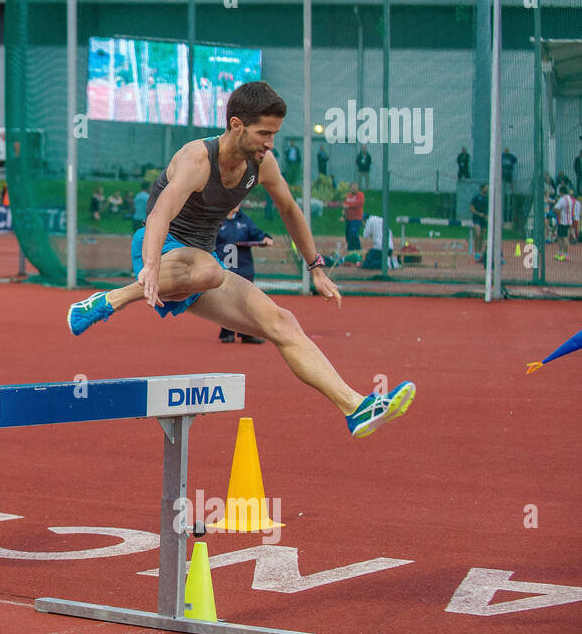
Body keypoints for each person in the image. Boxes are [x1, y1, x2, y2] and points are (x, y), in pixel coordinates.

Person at [65, 81, 414, 439]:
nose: (270, 143)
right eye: (264, 133)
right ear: (236, 125)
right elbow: (159, 216)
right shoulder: (197, 159)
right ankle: (113, 299)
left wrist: (316, 269)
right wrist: (151, 267)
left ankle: (355, 407)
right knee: (207, 269)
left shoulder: (262, 164)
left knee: (283, 322)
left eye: (275, 134)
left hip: (203, 264)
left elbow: (290, 210)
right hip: (161, 247)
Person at [215, 204, 273, 343]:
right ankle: (226, 332)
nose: (237, 204)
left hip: (244, 265)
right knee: (228, 300)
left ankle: (246, 333)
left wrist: (265, 237)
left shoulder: (244, 219)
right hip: (226, 266)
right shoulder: (217, 219)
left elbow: (255, 233)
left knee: (247, 300)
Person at [553, 187, 574, 262]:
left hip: (562, 221)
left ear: (561, 192)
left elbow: (555, 208)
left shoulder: (562, 200)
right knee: (563, 236)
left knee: (562, 237)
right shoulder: (570, 199)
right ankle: (562, 253)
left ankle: (564, 254)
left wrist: (556, 211)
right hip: (569, 220)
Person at [471, 183, 489, 261]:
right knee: (477, 234)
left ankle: (479, 252)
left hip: (484, 219)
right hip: (477, 218)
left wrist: (487, 216)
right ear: (482, 188)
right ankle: (476, 252)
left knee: (482, 236)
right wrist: (479, 214)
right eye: (486, 188)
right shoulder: (476, 197)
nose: (487, 189)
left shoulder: (488, 198)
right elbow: (472, 208)